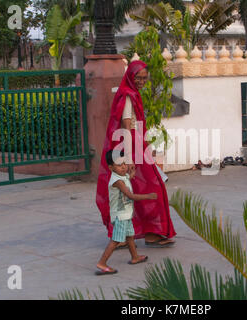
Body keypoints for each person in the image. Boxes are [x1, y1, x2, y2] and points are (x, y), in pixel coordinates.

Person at [96, 60, 176, 248]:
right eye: (138, 77)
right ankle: (150, 232)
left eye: (144, 78)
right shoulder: (128, 96)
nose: (141, 81)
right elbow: (126, 125)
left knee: (135, 188)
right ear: (130, 77)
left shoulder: (130, 94)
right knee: (152, 187)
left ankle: (128, 234)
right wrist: (130, 158)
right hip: (131, 145)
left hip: (136, 143)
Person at [95, 149, 157, 275]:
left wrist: (132, 173)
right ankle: (102, 263)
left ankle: (135, 257)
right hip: (120, 215)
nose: (123, 167)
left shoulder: (122, 176)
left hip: (126, 214)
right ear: (111, 167)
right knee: (116, 240)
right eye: (119, 165)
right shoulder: (117, 181)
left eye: (124, 163)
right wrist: (148, 196)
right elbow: (131, 196)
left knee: (130, 236)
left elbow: (129, 177)